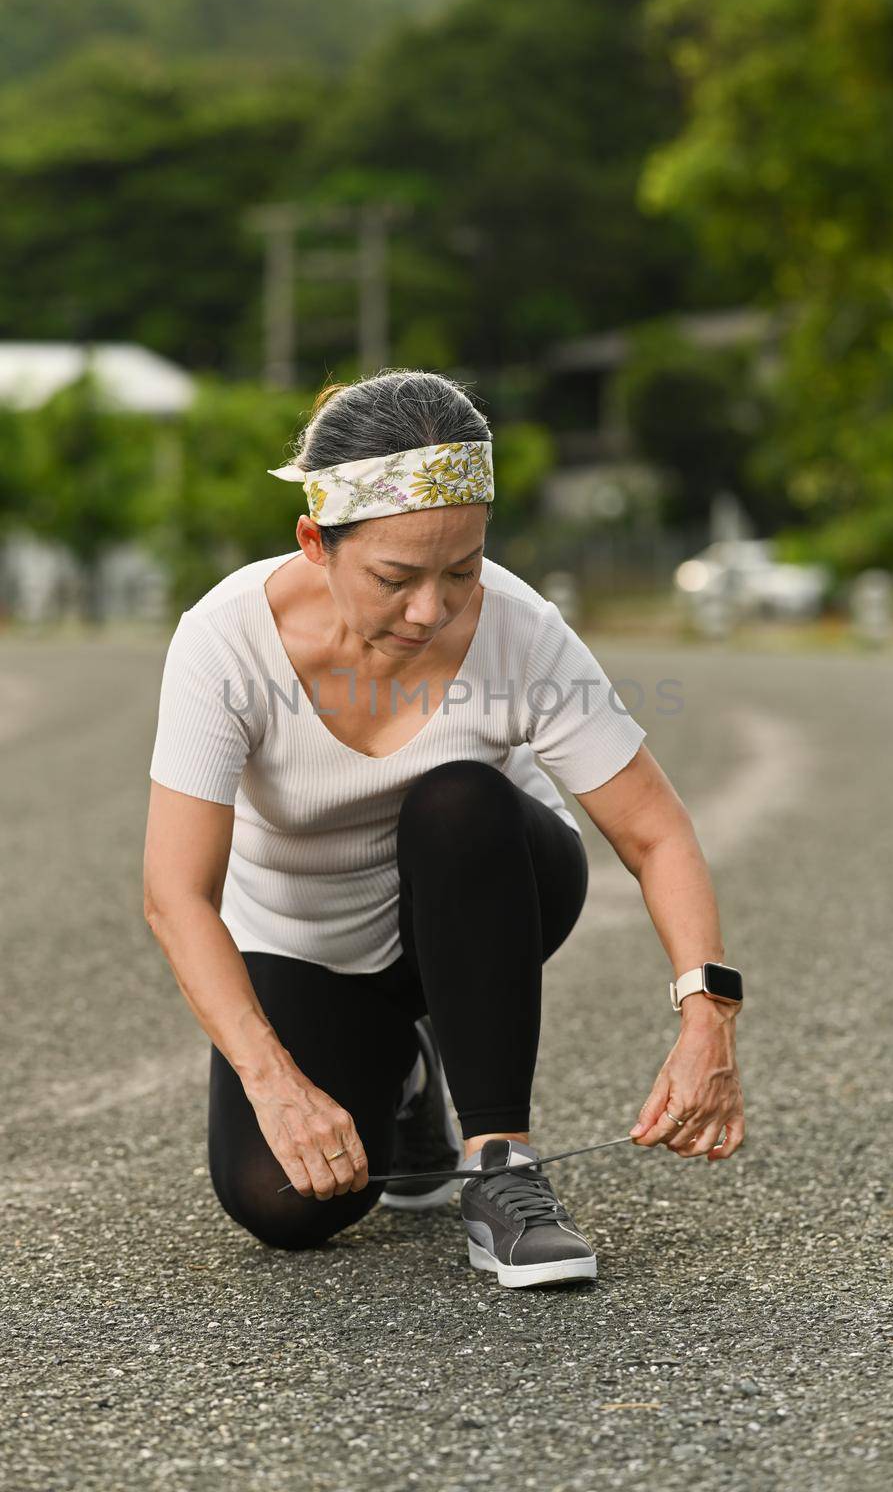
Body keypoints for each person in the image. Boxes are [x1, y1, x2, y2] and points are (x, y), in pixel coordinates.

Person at [143, 369, 745, 1291]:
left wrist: (708, 1018)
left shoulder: (520, 629)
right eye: (395, 577)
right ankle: (406, 1075)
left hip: (486, 890)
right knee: (284, 1205)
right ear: (315, 541)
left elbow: (655, 833)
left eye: (460, 571)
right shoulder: (223, 641)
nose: (431, 610)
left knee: (457, 797)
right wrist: (277, 1082)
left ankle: (502, 1165)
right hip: (309, 943)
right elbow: (176, 894)